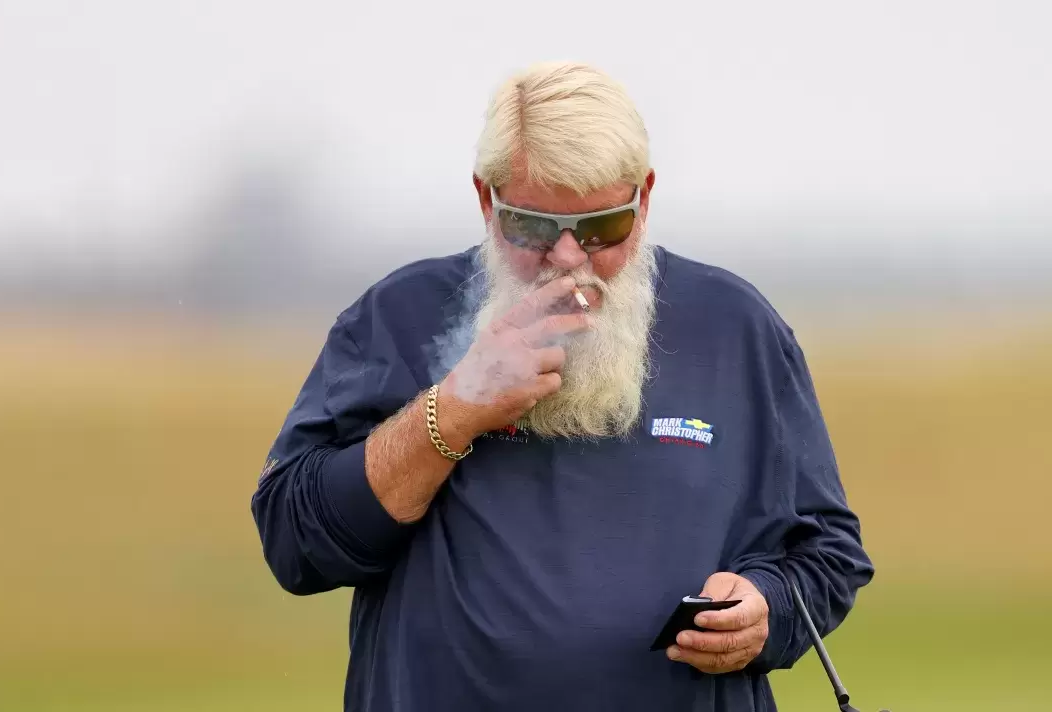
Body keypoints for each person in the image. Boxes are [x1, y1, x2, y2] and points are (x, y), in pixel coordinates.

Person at [250, 60, 874, 712]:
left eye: (603, 227)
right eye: (534, 227)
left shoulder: (735, 327)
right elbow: (296, 544)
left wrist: (767, 610)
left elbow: (826, 554)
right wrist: (454, 407)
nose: (570, 257)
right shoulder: (397, 319)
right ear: (487, 200)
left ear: (645, 198)